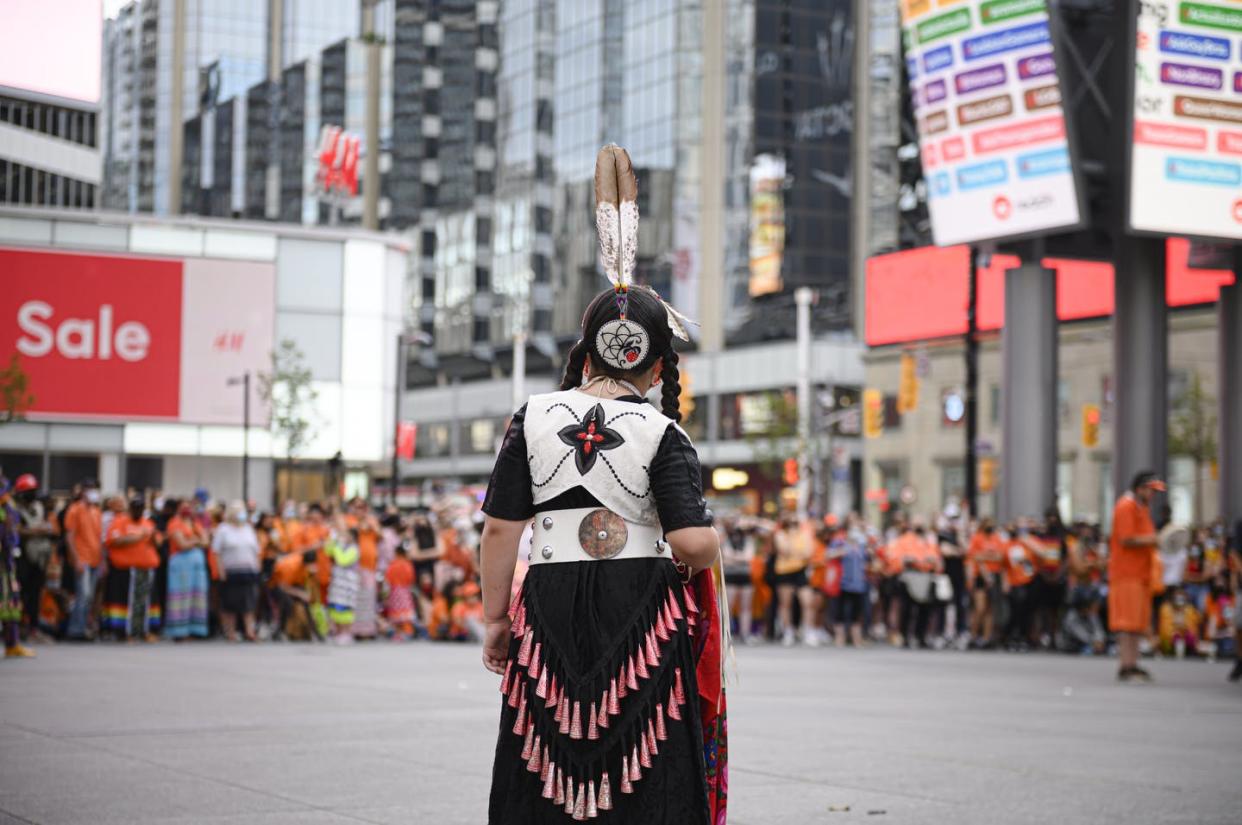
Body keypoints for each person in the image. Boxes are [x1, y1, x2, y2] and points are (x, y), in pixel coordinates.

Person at [479, 146, 723, 825]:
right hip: (638, 605)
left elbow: (501, 528)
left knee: (544, 752)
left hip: (550, 601)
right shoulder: (663, 432)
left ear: (585, 352)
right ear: (655, 365)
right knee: (643, 761)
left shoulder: (530, 417)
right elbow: (691, 541)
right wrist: (712, 548)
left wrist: (498, 619)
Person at [1109, 471, 1164, 683]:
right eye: (1151, 490)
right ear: (1140, 488)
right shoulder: (1126, 506)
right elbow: (1126, 539)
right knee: (1127, 623)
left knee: (1137, 623)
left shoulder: (1141, 507)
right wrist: (1155, 539)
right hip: (1126, 574)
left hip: (1140, 574)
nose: (1153, 495)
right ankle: (1126, 666)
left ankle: (1132, 663)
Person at [103, 496, 161, 640]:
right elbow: (115, 541)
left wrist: (152, 537)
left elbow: (158, 543)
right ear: (130, 509)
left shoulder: (148, 523)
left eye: (141, 508)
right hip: (127, 570)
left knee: (145, 602)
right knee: (125, 602)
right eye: (135, 508)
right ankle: (123, 632)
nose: (138, 511)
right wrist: (138, 536)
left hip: (146, 570)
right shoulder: (119, 522)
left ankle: (144, 630)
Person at [13, 474, 54, 641]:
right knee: (20, 593)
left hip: (39, 557)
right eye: (28, 491)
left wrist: (43, 529)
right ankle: (17, 628)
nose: (32, 494)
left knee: (35, 594)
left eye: (33, 490)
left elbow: (47, 526)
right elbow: (15, 530)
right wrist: (34, 531)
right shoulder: (14, 509)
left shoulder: (39, 507)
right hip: (20, 557)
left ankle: (33, 629)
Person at [213, 502, 261, 642]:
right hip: (230, 571)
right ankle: (231, 633)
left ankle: (249, 631)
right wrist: (221, 571)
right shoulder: (223, 529)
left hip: (249, 570)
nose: (241, 514)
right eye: (238, 511)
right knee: (230, 603)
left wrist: (257, 568)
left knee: (249, 603)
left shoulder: (248, 529)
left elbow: (256, 550)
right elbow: (216, 552)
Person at [163, 500, 210, 640]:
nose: (187, 510)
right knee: (181, 596)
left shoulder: (195, 523)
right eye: (184, 507)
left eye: (189, 507)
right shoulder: (174, 523)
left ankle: (194, 629)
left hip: (196, 566)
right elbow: (182, 544)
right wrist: (196, 541)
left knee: (196, 596)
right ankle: (178, 631)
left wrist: (193, 541)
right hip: (181, 565)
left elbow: (206, 542)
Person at [63, 481, 103, 640]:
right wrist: (76, 559)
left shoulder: (96, 511)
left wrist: (102, 560)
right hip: (82, 559)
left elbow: (100, 538)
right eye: (89, 490)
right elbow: (69, 537)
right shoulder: (75, 509)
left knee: (89, 597)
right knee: (83, 595)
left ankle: (83, 628)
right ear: (83, 492)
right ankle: (75, 630)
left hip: (95, 559)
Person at [772, 515, 815, 646]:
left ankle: (807, 631)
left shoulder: (804, 534)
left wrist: (795, 552)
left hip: (800, 570)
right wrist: (791, 539)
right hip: (784, 571)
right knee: (786, 603)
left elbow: (808, 553)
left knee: (807, 601)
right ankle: (788, 631)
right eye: (790, 523)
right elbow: (784, 550)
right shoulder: (780, 534)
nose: (793, 526)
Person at [831, 513, 870, 648]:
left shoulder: (862, 543)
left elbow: (868, 559)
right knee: (840, 610)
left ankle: (856, 639)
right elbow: (829, 554)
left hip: (858, 582)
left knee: (857, 611)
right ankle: (840, 637)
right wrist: (844, 549)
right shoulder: (840, 540)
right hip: (842, 581)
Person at [967, 518, 1005, 647]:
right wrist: (990, 556)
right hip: (981, 576)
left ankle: (986, 638)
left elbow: (1000, 556)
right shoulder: (977, 538)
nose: (990, 527)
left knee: (990, 609)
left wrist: (985, 555)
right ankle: (973, 636)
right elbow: (974, 556)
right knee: (980, 608)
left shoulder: (996, 538)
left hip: (995, 574)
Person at [346, 498, 381, 639]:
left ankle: (366, 631)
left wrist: (370, 524)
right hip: (353, 564)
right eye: (357, 507)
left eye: (363, 507)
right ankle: (351, 629)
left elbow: (380, 535)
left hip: (369, 565)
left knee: (367, 598)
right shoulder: (348, 520)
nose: (360, 510)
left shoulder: (372, 520)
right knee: (353, 597)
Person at [325, 528, 361, 644]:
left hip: (348, 583)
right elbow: (327, 551)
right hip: (338, 582)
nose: (344, 537)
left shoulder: (354, 549)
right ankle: (338, 632)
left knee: (345, 608)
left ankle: (346, 633)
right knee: (335, 607)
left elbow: (342, 560)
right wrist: (333, 540)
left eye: (347, 535)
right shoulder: (341, 546)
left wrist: (337, 547)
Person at [384, 544, 417, 639]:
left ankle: (398, 633)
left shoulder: (392, 565)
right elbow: (411, 578)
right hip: (405, 590)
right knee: (405, 611)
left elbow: (388, 578)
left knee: (396, 612)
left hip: (394, 590)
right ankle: (407, 632)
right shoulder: (407, 564)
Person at [1157, 587, 1200, 658]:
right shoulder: (1166, 608)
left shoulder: (1190, 610)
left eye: (1181, 597)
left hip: (1185, 636)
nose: (1179, 599)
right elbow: (1165, 629)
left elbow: (1193, 627)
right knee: (1175, 637)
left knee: (1189, 637)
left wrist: (1182, 613)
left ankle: (1189, 652)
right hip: (1171, 637)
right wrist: (1176, 630)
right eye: (1177, 596)